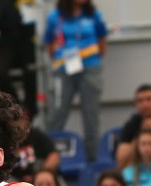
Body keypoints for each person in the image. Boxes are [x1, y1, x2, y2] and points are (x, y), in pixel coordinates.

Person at [45, 0, 107, 162]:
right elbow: (49, 43)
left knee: (91, 117)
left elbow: (102, 40)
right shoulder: (55, 16)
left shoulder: (94, 14)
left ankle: (92, 160)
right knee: (57, 114)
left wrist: (90, 59)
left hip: (90, 69)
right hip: (63, 70)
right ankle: (50, 158)